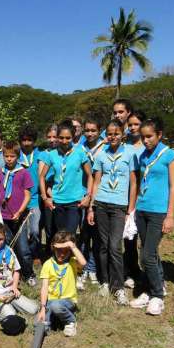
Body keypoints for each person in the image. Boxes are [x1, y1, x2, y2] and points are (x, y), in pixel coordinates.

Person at [129, 118, 174, 316]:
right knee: (150, 252)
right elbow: (141, 181)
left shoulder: (170, 155)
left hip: (159, 212)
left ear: (160, 135)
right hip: (143, 209)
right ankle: (150, 289)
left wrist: (170, 215)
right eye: (143, 137)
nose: (146, 140)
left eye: (149, 136)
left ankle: (157, 295)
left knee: (147, 255)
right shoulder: (143, 156)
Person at [88, 119, 138, 306]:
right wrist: (92, 207)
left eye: (116, 133)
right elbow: (97, 181)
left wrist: (130, 209)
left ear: (122, 134)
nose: (113, 137)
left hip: (119, 206)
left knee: (115, 247)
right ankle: (105, 281)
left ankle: (118, 288)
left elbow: (133, 183)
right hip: (101, 203)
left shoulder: (130, 153)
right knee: (102, 245)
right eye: (109, 133)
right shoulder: (101, 154)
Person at [39, 120, 92, 235]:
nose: (64, 141)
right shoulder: (52, 154)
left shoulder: (80, 153)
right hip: (58, 201)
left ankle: (73, 253)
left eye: (68, 138)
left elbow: (90, 175)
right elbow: (42, 176)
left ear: (73, 137)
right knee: (61, 234)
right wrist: (44, 198)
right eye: (61, 137)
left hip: (75, 201)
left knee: (70, 234)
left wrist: (88, 196)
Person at [0, 222, 38, 320]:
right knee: (11, 315)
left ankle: (11, 305)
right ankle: (0, 310)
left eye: (0, 239)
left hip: (10, 292)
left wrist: (14, 287)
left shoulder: (9, 251)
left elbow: (17, 270)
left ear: (5, 237)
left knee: (34, 309)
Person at [0, 141, 36, 286]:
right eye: (6, 156)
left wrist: (20, 212)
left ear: (17, 156)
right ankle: (10, 274)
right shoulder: (0, 172)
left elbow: (27, 195)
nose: (9, 159)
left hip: (19, 216)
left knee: (23, 249)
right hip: (3, 216)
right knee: (6, 247)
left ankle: (29, 274)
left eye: (12, 156)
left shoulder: (23, 173)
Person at [37, 231, 86, 337]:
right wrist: (43, 307)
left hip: (68, 301)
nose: (62, 254)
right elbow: (44, 287)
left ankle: (70, 321)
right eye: (59, 250)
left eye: (66, 251)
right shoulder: (48, 264)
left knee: (56, 306)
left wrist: (71, 245)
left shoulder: (72, 262)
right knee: (39, 323)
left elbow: (83, 263)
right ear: (53, 248)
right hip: (51, 301)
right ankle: (48, 324)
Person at [78, 119, 105, 287]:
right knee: (83, 234)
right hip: (81, 194)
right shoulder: (80, 147)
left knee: (96, 234)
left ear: (99, 131)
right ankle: (82, 268)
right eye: (87, 130)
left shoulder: (105, 147)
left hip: (99, 195)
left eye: (93, 130)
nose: (90, 133)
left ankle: (93, 268)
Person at [123, 111, 146, 289]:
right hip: (125, 196)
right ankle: (131, 269)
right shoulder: (124, 145)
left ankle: (147, 273)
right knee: (129, 237)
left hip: (144, 197)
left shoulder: (147, 147)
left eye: (136, 124)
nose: (132, 127)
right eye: (130, 124)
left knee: (143, 239)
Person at [18, 125, 43, 266]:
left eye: (30, 140)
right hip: (19, 199)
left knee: (35, 230)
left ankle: (35, 253)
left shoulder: (41, 154)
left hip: (34, 199)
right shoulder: (16, 154)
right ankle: (22, 254)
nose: (26, 143)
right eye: (24, 140)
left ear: (34, 141)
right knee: (20, 230)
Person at [38, 123, 58, 255]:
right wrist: (47, 194)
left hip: (63, 195)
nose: (51, 140)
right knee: (49, 228)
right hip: (49, 196)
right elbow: (42, 177)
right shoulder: (44, 154)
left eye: (54, 137)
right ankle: (49, 255)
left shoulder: (65, 153)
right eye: (49, 137)